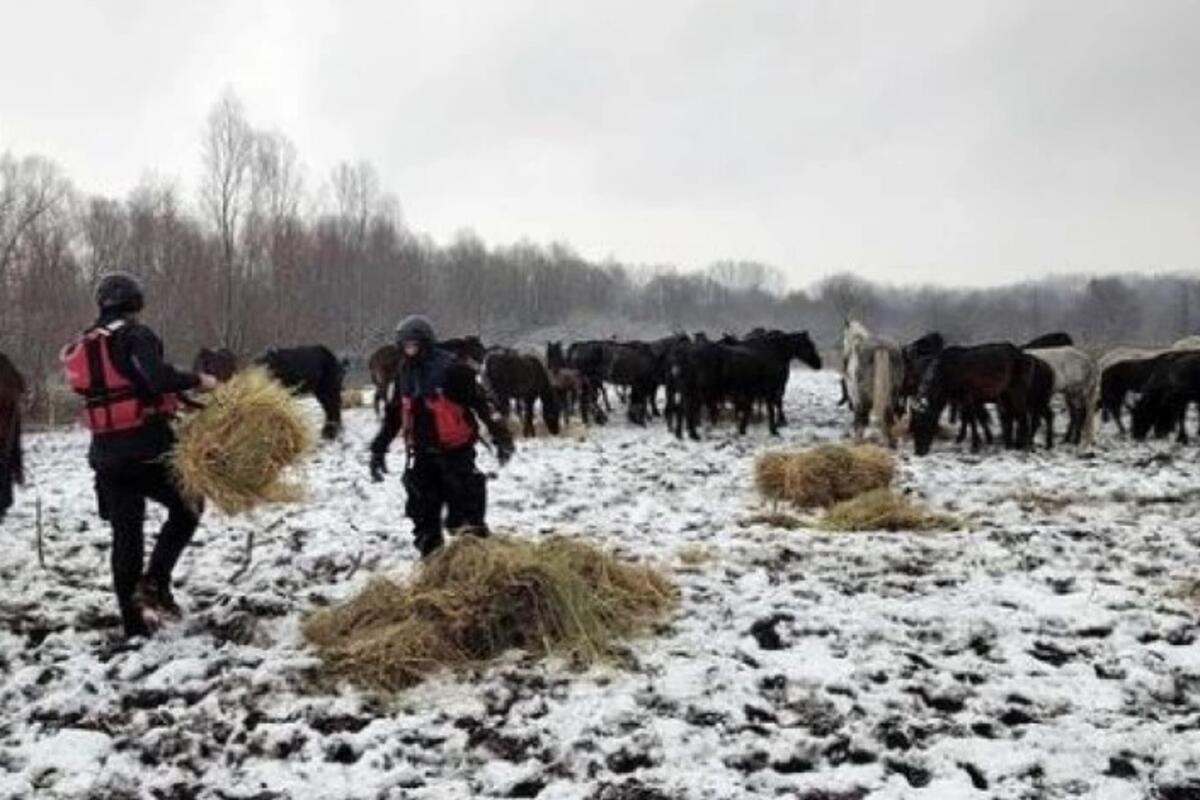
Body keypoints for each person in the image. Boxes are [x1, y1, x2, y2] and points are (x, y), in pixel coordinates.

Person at [61, 272, 218, 638]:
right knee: (189, 504)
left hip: (106, 455)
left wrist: (174, 399)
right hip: (147, 449)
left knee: (126, 536)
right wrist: (199, 381)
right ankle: (155, 583)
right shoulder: (135, 334)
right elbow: (156, 378)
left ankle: (133, 625)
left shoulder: (85, 342)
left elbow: (122, 386)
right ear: (135, 302)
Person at [369, 315, 514, 557]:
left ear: (426, 343)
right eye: (404, 346)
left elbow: (484, 405)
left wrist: (502, 438)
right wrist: (378, 449)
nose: (408, 351)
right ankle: (432, 561)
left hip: (456, 453)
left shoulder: (454, 371)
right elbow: (394, 416)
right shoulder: (404, 374)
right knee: (423, 516)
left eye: (413, 346)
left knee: (465, 517)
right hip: (422, 455)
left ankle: (476, 562)